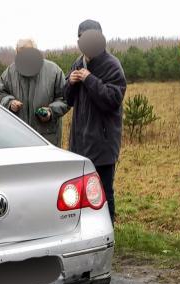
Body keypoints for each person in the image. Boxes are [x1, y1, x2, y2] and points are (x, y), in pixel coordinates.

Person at [65, 19, 126, 222]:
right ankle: (84, 231)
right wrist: (70, 82)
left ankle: (107, 230)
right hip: (79, 144)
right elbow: (67, 100)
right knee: (80, 192)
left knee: (103, 191)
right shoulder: (77, 63)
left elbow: (113, 99)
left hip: (103, 144)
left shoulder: (112, 65)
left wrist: (89, 79)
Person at [0, 39, 69, 147]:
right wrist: (10, 103)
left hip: (47, 140)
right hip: (18, 139)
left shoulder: (53, 71)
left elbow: (65, 98)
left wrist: (50, 112)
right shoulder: (10, 72)